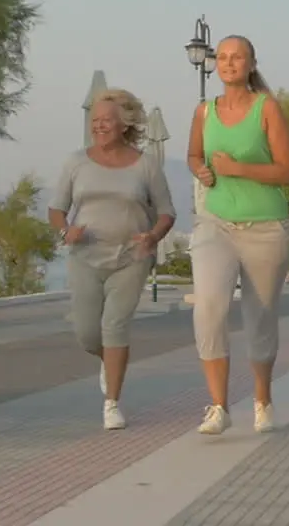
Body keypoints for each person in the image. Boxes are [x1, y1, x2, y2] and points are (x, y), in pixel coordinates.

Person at [187, 35, 289, 436]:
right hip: (216, 223)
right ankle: (218, 406)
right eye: (224, 57)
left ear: (251, 64)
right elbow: (194, 155)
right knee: (209, 308)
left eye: (238, 57)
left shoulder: (267, 108)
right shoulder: (204, 112)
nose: (230, 63)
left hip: (266, 227)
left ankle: (262, 399)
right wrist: (199, 169)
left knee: (260, 317)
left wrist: (238, 169)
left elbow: (288, 171)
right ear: (216, 64)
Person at [48, 88, 176, 430]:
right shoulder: (76, 162)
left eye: (107, 121)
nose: (99, 127)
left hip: (131, 257)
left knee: (115, 326)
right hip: (85, 257)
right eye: (95, 121)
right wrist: (66, 231)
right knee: (88, 334)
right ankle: (110, 360)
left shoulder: (145, 166)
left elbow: (166, 213)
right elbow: (57, 209)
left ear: (124, 125)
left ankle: (112, 404)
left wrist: (152, 236)